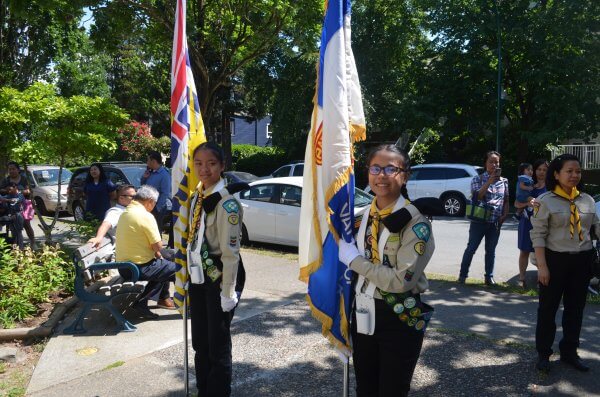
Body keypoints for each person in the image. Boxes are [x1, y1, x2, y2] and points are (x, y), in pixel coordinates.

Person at [338, 144, 435, 397]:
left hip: (398, 315)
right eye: (376, 168)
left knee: (392, 390)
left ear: (404, 176)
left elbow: (400, 281)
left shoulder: (416, 224)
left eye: (391, 168)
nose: (381, 175)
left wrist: (354, 261)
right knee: (365, 389)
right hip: (362, 312)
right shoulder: (359, 219)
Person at [187, 142, 245, 397]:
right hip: (198, 275)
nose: (204, 169)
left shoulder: (227, 205)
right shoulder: (196, 198)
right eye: (198, 163)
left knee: (217, 344)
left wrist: (228, 291)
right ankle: (203, 390)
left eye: (211, 163)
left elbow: (230, 254)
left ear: (222, 166)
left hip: (220, 277)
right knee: (199, 341)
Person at [531, 154, 597, 373]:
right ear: (557, 174)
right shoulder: (544, 201)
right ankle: (543, 354)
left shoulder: (587, 200)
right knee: (547, 310)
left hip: (582, 261)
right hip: (554, 261)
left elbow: (595, 229)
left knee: (575, 310)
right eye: (569, 171)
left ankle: (570, 352)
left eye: (577, 171)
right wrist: (542, 266)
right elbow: (538, 236)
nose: (574, 175)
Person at [115, 185, 177, 318]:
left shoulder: (126, 212)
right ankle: (187, 304)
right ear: (149, 201)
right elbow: (158, 246)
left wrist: (160, 255)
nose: (154, 206)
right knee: (180, 269)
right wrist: (159, 254)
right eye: (154, 203)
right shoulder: (145, 215)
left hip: (125, 266)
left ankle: (151, 301)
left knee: (170, 258)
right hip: (138, 267)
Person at [458, 151, 509, 285]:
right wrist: (489, 181)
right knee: (471, 248)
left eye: (496, 162)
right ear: (485, 163)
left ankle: (489, 277)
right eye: (491, 161)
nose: (494, 164)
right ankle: (462, 276)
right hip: (479, 221)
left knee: (491, 251)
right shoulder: (477, 179)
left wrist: (504, 215)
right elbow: (477, 197)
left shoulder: (504, 181)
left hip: (495, 222)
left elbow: (506, 200)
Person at [515, 160, 548, 289]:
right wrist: (527, 204)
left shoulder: (551, 187)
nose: (541, 172)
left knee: (542, 253)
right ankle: (522, 279)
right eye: (539, 169)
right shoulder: (528, 184)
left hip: (543, 225)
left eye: (544, 170)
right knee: (524, 251)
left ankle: (542, 281)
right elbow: (517, 204)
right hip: (526, 222)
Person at [87, 185, 136, 249]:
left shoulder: (129, 209)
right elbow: (106, 224)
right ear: (121, 198)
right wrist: (99, 237)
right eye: (133, 197)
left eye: (136, 196)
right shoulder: (116, 212)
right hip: (124, 252)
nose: (136, 199)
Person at [0, 161, 36, 248]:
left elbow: (29, 190)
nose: (11, 171)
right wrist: (7, 190)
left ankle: (33, 242)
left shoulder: (24, 179)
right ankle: (16, 245)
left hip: (24, 205)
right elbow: (1, 190)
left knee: (26, 224)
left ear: (18, 170)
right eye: (10, 169)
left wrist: (18, 191)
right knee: (13, 225)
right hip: (11, 206)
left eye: (13, 169)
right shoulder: (6, 180)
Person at [140, 151, 172, 244]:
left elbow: (165, 192)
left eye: (148, 160)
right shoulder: (150, 172)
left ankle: (158, 251)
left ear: (153, 161)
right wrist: (144, 177)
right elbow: (143, 186)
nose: (147, 162)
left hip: (157, 207)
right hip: (147, 206)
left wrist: (157, 208)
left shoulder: (164, 174)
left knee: (156, 229)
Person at [0, 182, 25, 249]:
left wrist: (6, 200)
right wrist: (6, 199)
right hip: (11, 216)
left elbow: (14, 200)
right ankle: (15, 247)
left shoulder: (20, 195)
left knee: (18, 233)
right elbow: (2, 199)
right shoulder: (9, 195)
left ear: (15, 187)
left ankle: (21, 248)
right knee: (13, 232)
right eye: (7, 190)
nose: (8, 191)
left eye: (10, 190)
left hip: (18, 215)